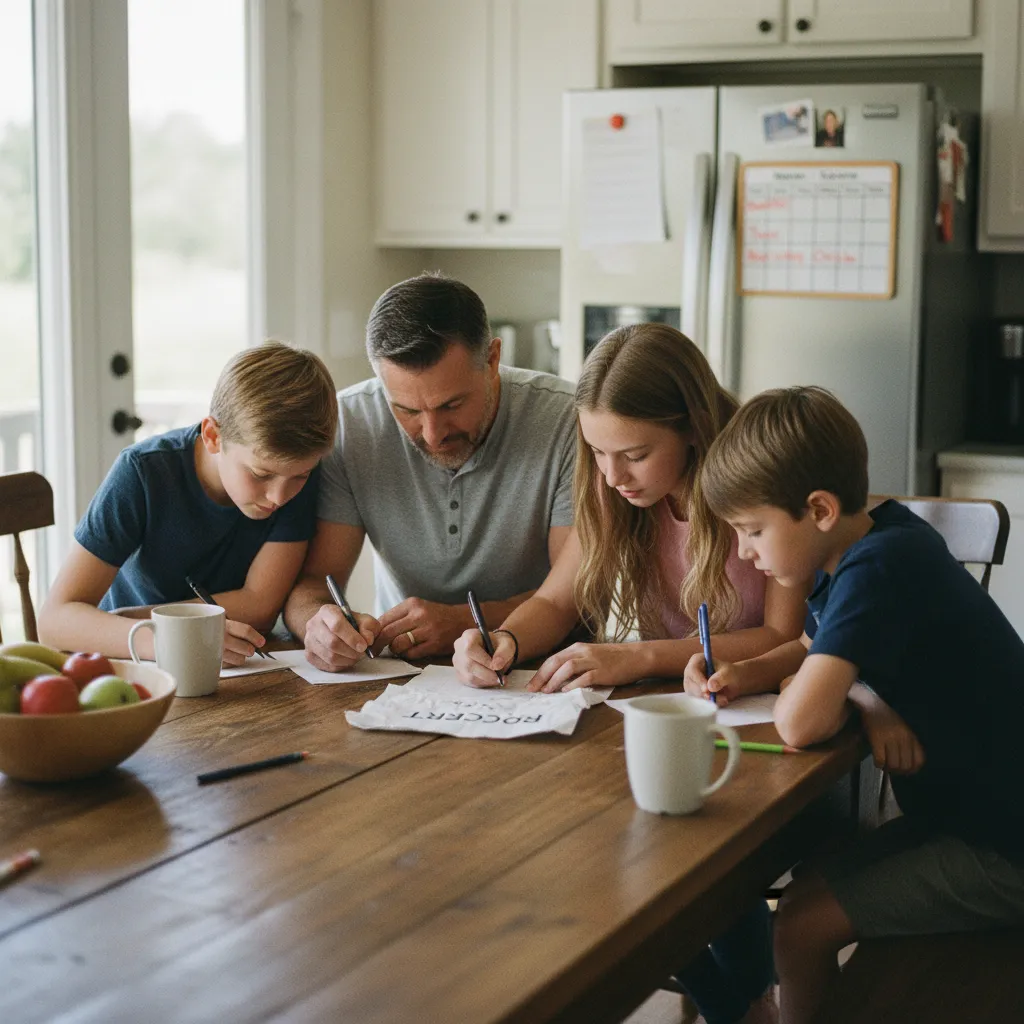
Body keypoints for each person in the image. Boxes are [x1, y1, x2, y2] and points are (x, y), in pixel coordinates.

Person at [456, 322, 809, 1024]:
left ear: (692, 429)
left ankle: (744, 1005)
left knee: (699, 852)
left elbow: (783, 633)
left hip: (764, 725)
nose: (614, 475)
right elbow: (558, 600)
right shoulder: (614, 490)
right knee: (600, 850)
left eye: (636, 454)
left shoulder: (758, 479)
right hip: (664, 718)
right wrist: (500, 637)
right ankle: (743, 1007)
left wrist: (638, 656)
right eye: (597, 452)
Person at [698, 385, 1024, 1024]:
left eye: (752, 530)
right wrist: (750, 670)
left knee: (800, 925)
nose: (744, 553)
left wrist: (853, 689)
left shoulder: (879, 569)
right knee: (808, 887)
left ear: (817, 509)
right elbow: (813, 641)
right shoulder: (876, 539)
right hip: (975, 818)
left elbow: (800, 721)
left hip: (1004, 847)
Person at [283, 273, 576, 670]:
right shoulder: (349, 423)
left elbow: (576, 595)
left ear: (492, 360)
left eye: (452, 405)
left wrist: (466, 622)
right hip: (403, 668)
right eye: (406, 410)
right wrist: (317, 625)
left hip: (547, 666)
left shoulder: (566, 420)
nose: (433, 435)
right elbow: (315, 582)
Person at [39, 341, 336, 666]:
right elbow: (54, 621)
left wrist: (147, 620)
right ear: (212, 436)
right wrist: (170, 638)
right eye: (260, 474)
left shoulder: (292, 471)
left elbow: (260, 606)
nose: (279, 497)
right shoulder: (143, 473)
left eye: (300, 476)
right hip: (139, 664)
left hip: (238, 665)